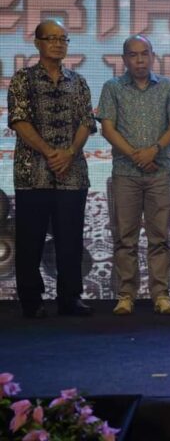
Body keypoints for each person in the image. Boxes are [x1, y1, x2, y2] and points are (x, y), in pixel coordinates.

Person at [7, 19, 97, 318]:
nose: (58, 44)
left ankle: (70, 298)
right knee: (30, 240)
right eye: (51, 38)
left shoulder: (78, 80)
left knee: (70, 239)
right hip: (33, 173)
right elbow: (19, 120)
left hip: (72, 173)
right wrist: (49, 153)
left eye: (63, 39)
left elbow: (86, 121)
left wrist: (69, 153)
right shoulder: (22, 79)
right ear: (38, 43)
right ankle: (31, 300)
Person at [97, 35, 170, 316]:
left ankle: (161, 295)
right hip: (125, 173)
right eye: (133, 55)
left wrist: (153, 151)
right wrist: (136, 155)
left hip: (159, 172)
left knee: (160, 237)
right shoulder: (112, 87)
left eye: (145, 54)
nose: (140, 60)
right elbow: (107, 128)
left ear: (153, 56)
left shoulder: (167, 87)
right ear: (124, 59)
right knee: (125, 237)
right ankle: (125, 295)